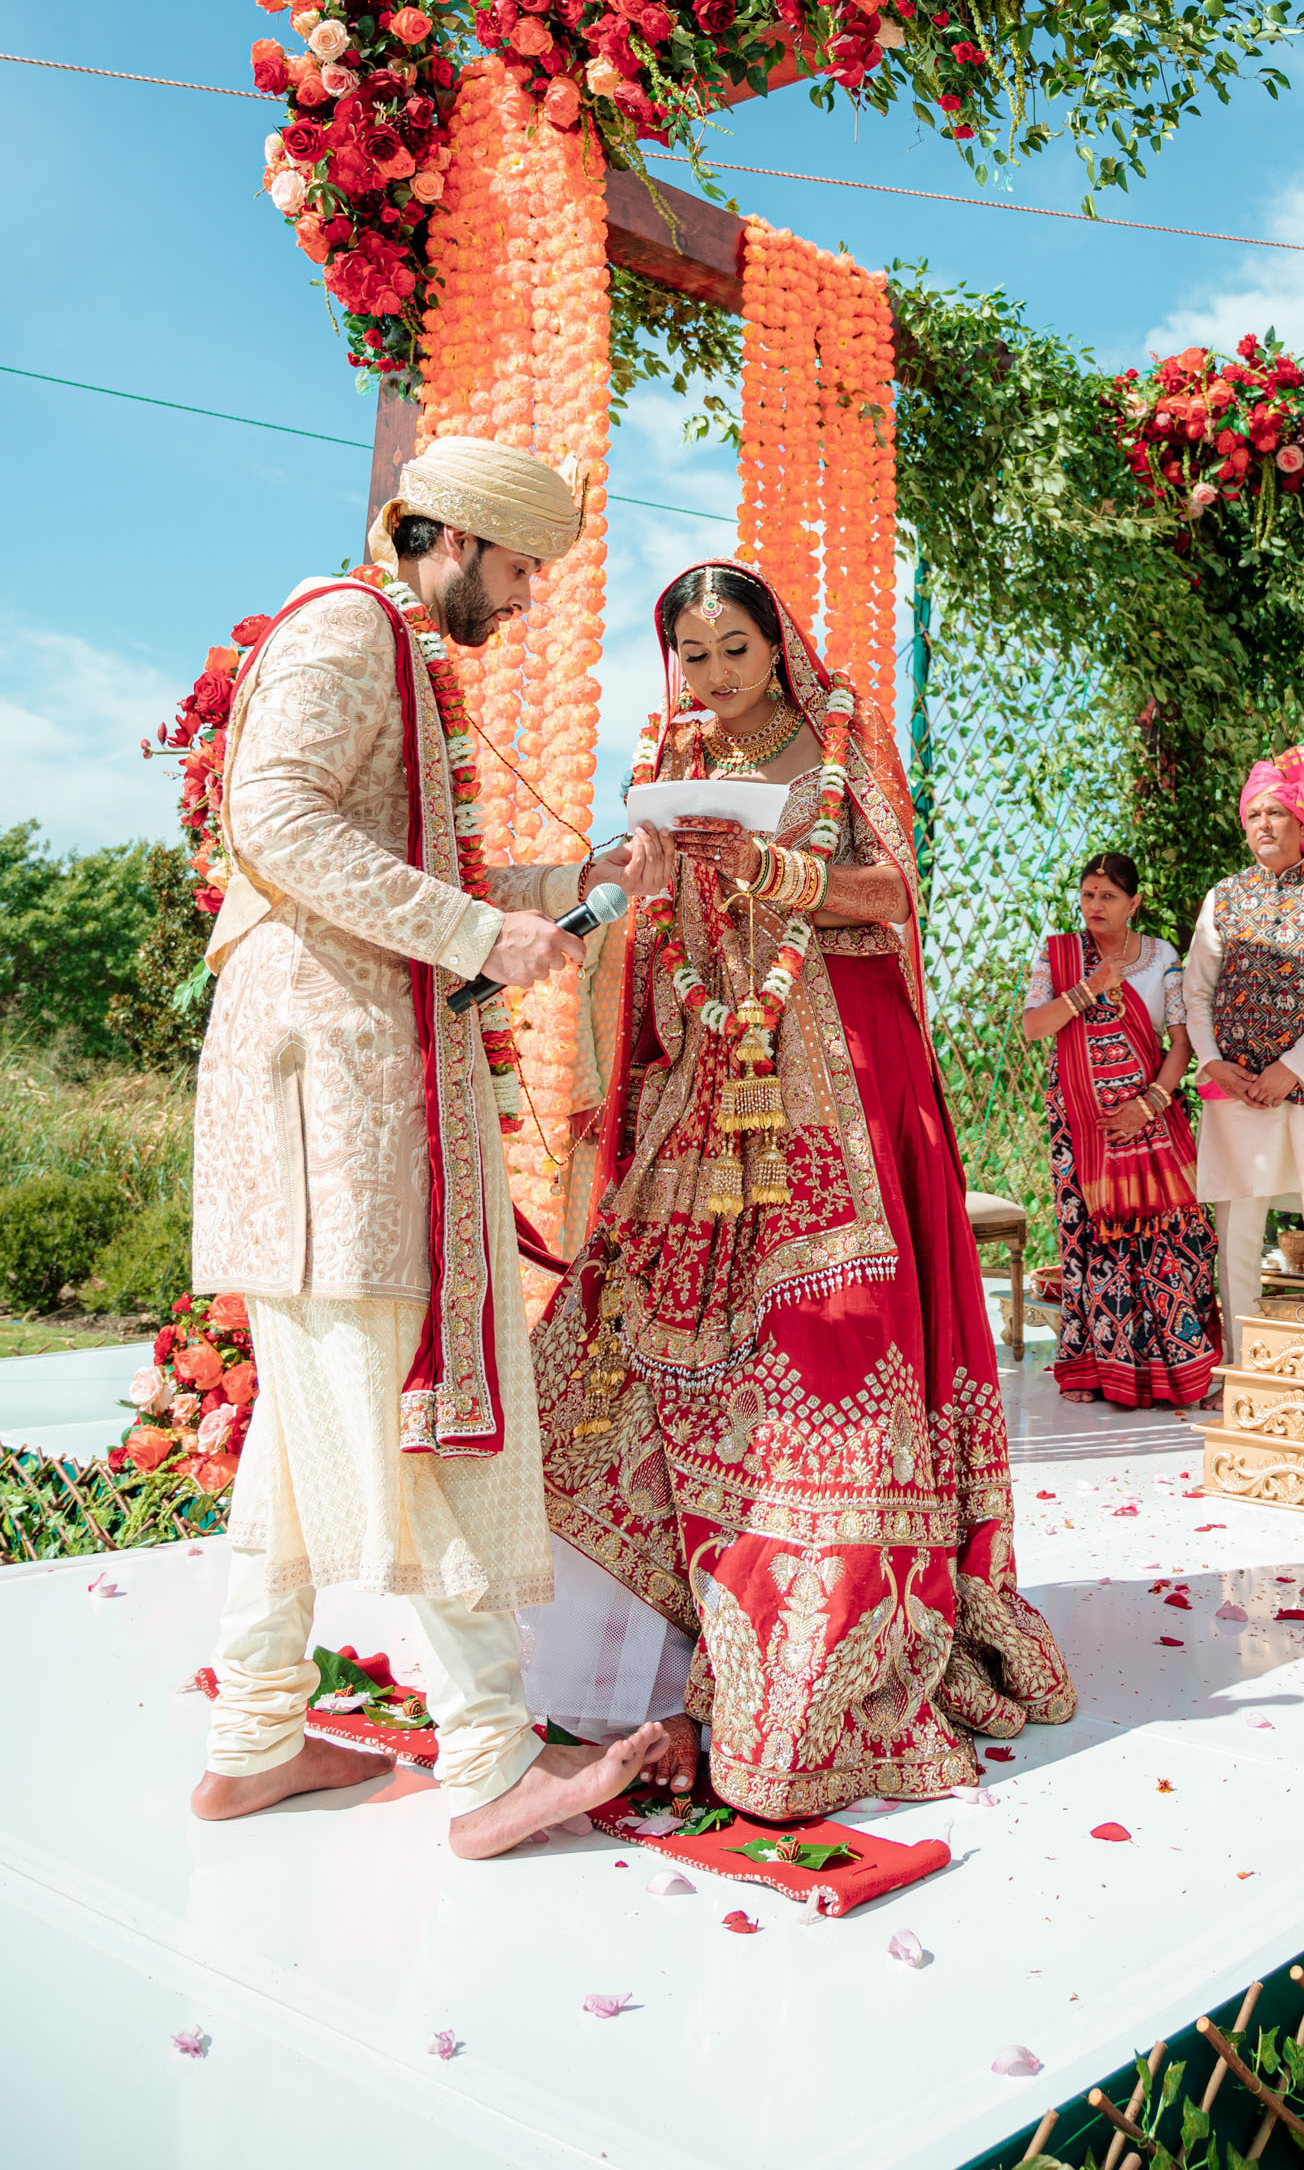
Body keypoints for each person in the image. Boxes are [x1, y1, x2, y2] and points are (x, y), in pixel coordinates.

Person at [188, 437, 693, 1856]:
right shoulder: (350, 629)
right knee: (417, 1403)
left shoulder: (397, 655)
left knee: (299, 1437)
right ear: (458, 539)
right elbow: (275, 819)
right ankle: (486, 1768)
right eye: (524, 568)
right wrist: (481, 934)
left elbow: (402, 867)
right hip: (334, 1104)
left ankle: (252, 1741)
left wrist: (558, 888)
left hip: (347, 1087)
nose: (529, 599)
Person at [532, 562, 1075, 1819]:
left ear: (777, 648)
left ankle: (815, 1654)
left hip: (838, 1079)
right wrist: (647, 873)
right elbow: (646, 921)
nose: (716, 678)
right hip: (709, 1080)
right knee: (627, 1341)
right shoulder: (667, 753)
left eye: (736, 650)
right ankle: (645, 1666)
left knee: (826, 1356)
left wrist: (779, 875)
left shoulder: (835, 742)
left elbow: (895, 897)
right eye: (695, 656)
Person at [1183, 746, 1304, 1359]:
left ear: (1301, 822)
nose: (1264, 824)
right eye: (1254, 814)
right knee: (1240, 1229)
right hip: (1238, 1089)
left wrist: (1292, 1070)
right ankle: (1244, 1363)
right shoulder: (1225, 896)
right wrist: (1213, 1063)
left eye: (1276, 812)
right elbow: (1196, 990)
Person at [1020, 851, 1217, 1410]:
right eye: (1087, 895)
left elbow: (1179, 1041)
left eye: (1107, 896)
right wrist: (1089, 988)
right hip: (1081, 1129)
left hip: (1151, 1119)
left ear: (1134, 903)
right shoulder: (1058, 955)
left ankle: (1177, 1367)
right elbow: (1035, 1026)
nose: (1095, 906)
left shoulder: (1161, 957)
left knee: (1173, 1242)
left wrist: (1150, 1103)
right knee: (1089, 1243)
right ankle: (1095, 1366)